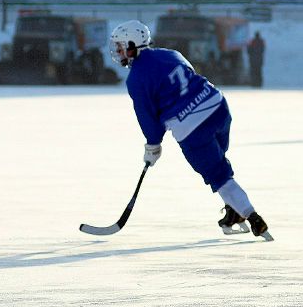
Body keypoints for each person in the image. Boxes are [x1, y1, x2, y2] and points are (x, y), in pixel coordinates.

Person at [109, 20, 271, 240]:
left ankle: (250, 214)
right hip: (218, 107)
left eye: (120, 47)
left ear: (132, 45)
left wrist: (153, 145)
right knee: (219, 161)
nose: (117, 52)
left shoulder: (136, 78)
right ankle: (233, 210)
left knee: (218, 174)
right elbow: (190, 74)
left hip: (192, 128)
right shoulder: (170, 54)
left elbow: (149, 119)